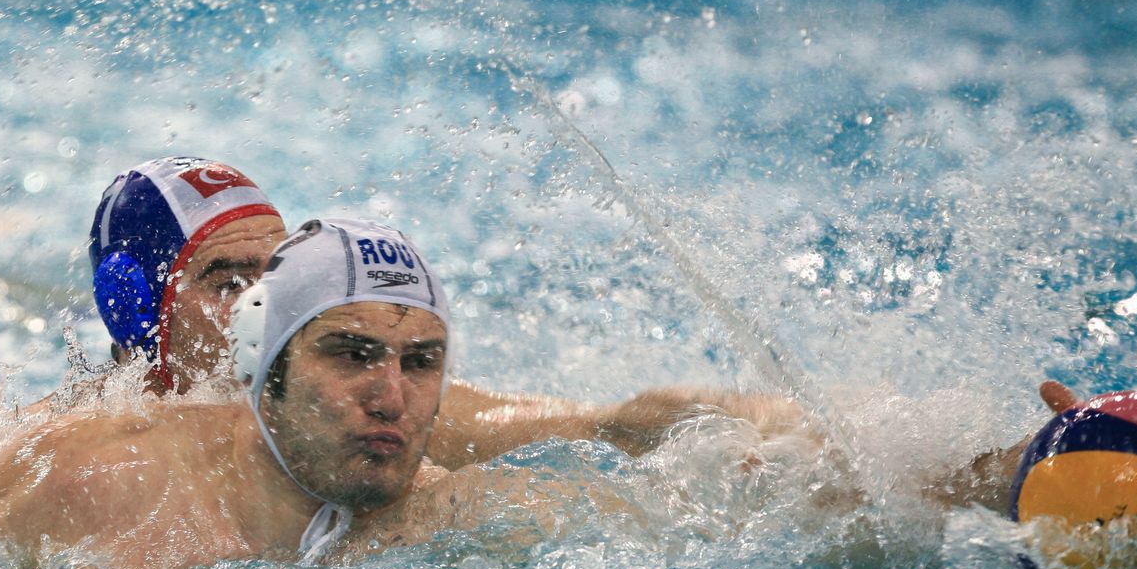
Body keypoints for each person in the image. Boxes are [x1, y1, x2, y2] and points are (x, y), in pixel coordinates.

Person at [0, 218, 825, 569]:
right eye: (354, 353)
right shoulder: (86, 467)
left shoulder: (444, 502)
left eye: (423, 362)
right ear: (271, 366)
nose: (392, 394)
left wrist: (864, 467)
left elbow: (667, 469)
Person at [83, 156, 807, 470]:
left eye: (272, 271)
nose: (262, 304)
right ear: (132, 311)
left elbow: (607, 424)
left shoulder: (344, 406)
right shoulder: (73, 460)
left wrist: (793, 431)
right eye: (225, 280)